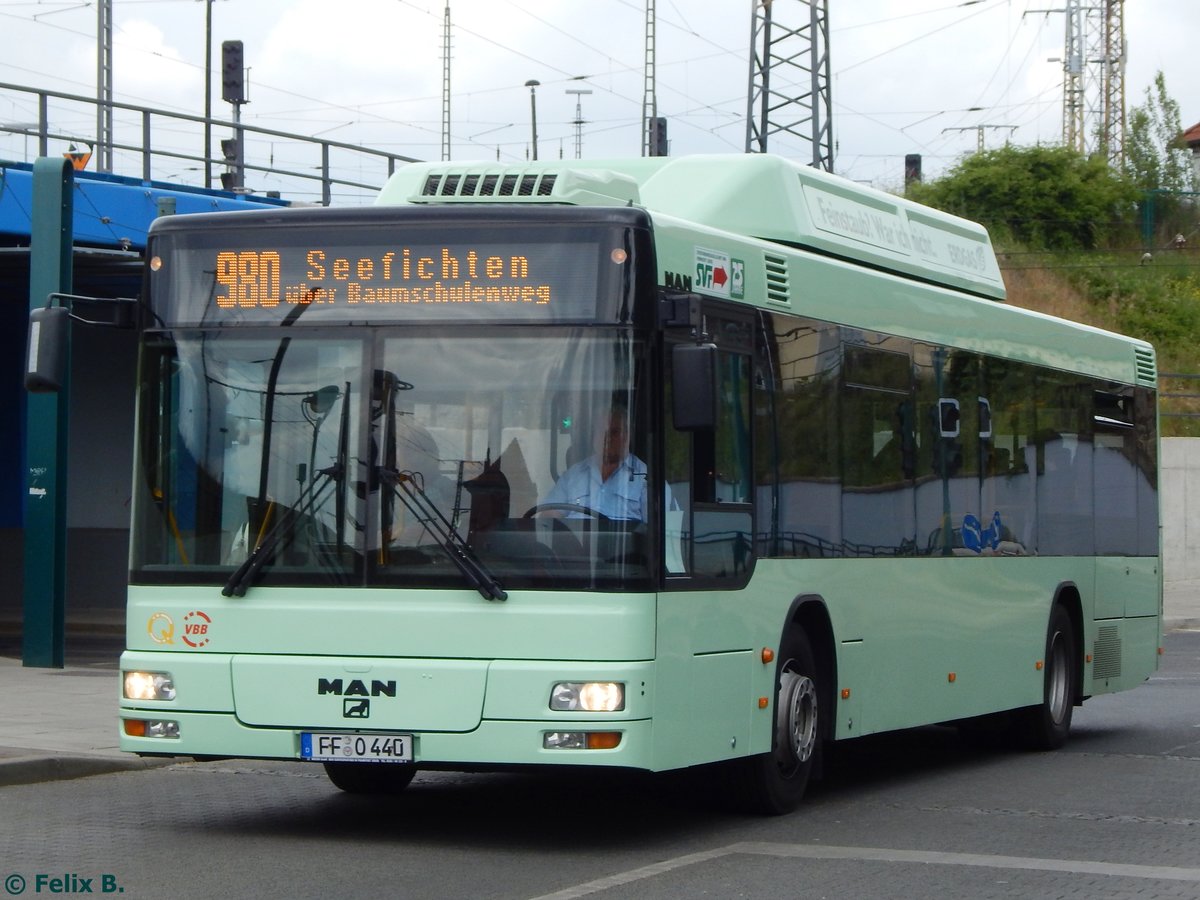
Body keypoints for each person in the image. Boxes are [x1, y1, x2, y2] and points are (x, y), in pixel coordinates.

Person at [542, 404, 648, 522]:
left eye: (614, 432)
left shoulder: (645, 477)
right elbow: (548, 516)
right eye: (602, 431)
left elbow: (657, 525)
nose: (607, 438)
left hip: (622, 535)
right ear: (594, 435)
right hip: (575, 534)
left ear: (627, 436)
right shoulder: (573, 475)